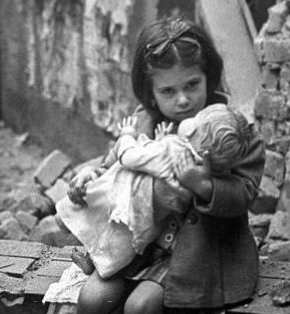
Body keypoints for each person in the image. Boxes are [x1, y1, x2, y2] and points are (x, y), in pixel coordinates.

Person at [66, 17, 264, 314]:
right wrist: (88, 177)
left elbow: (246, 191)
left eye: (192, 84)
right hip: (139, 243)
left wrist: (205, 185)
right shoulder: (144, 122)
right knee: (91, 301)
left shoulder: (230, 127)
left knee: (140, 311)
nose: (183, 100)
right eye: (168, 91)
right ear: (149, 91)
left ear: (209, 75)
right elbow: (117, 161)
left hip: (198, 252)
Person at [56, 102, 254, 280]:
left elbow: (129, 157)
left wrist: (127, 134)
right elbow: (167, 177)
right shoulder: (200, 173)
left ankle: (73, 237)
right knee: (114, 249)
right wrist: (162, 140)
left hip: (125, 204)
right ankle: (92, 262)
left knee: (71, 218)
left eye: (196, 122)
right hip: (148, 226)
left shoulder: (173, 152)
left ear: (195, 134)